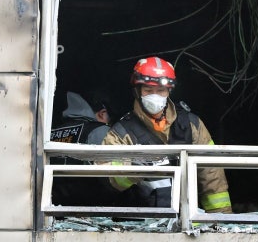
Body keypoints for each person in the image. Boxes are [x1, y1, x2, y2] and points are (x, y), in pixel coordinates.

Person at [102, 56, 232, 213]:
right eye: (148, 90)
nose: (155, 96)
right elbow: (106, 180)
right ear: (137, 91)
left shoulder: (192, 125)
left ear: (169, 91)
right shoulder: (121, 132)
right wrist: (132, 169)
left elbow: (212, 177)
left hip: (187, 223)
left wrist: (221, 222)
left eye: (161, 90)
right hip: (142, 226)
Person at [50, 91, 116, 206]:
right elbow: (113, 178)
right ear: (102, 114)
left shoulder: (52, 131)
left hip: (54, 203)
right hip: (87, 207)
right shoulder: (100, 131)